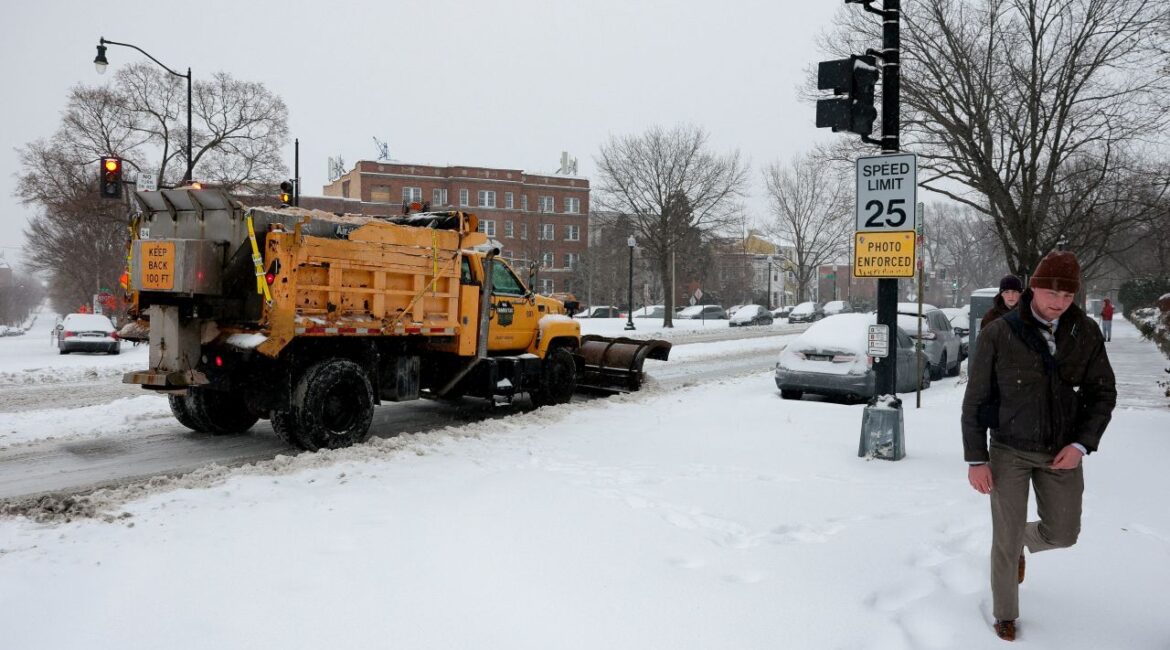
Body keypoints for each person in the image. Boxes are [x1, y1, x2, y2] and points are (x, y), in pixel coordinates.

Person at [961, 251, 1116, 642]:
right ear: (1034, 287)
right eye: (1051, 293)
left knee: (1063, 533)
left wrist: (1082, 443)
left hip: (1062, 451)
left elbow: (1103, 392)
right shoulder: (1000, 331)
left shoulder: (1086, 332)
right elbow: (976, 399)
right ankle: (1005, 614)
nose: (1058, 303)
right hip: (1009, 450)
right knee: (1004, 536)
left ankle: (1020, 544)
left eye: (1067, 297)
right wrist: (976, 458)